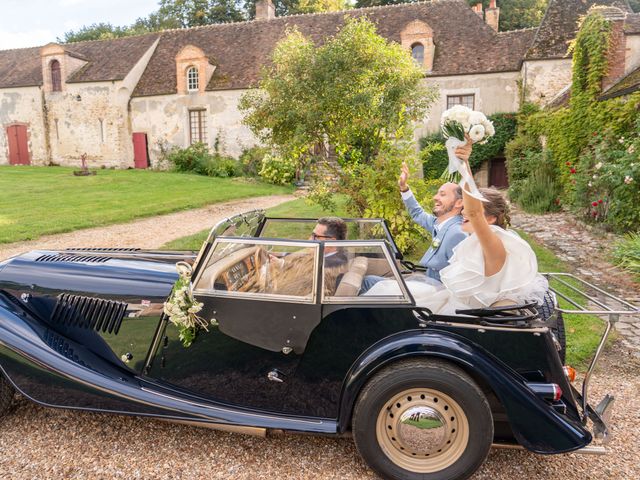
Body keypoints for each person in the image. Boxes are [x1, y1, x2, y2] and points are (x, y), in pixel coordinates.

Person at [364, 138, 548, 314]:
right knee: (381, 289)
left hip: (455, 307)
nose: (463, 214)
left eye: (470, 210)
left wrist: (463, 164)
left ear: (490, 219)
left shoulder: (492, 246)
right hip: (450, 299)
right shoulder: (476, 242)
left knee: (379, 290)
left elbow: (474, 212)